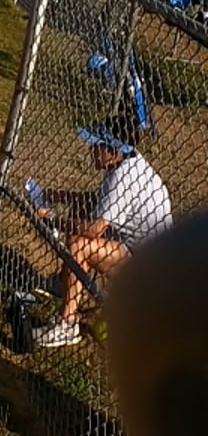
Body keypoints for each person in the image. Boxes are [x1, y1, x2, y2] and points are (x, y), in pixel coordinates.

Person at [30, 123, 173, 347]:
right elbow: (98, 201)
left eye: (96, 146)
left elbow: (94, 229)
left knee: (79, 245)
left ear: (113, 152)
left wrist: (51, 218)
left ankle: (67, 326)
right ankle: (64, 284)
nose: (91, 151)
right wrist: (58, 195)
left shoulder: (123, 177)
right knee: (81, 214)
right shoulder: (127, 161)